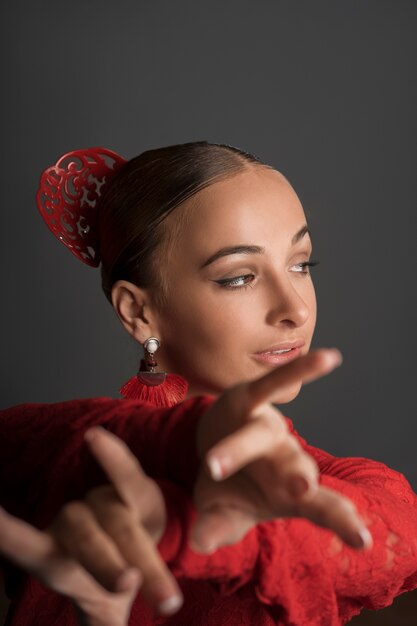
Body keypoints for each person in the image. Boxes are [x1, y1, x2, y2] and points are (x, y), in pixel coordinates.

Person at [0, 142, 416, 626]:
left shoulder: (332, 487)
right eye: (239, 277)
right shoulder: (70, 454)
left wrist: (210, 533)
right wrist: (184, 440)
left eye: (301, 264)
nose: (296, 309)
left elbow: (395, 534)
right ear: (138, 311)